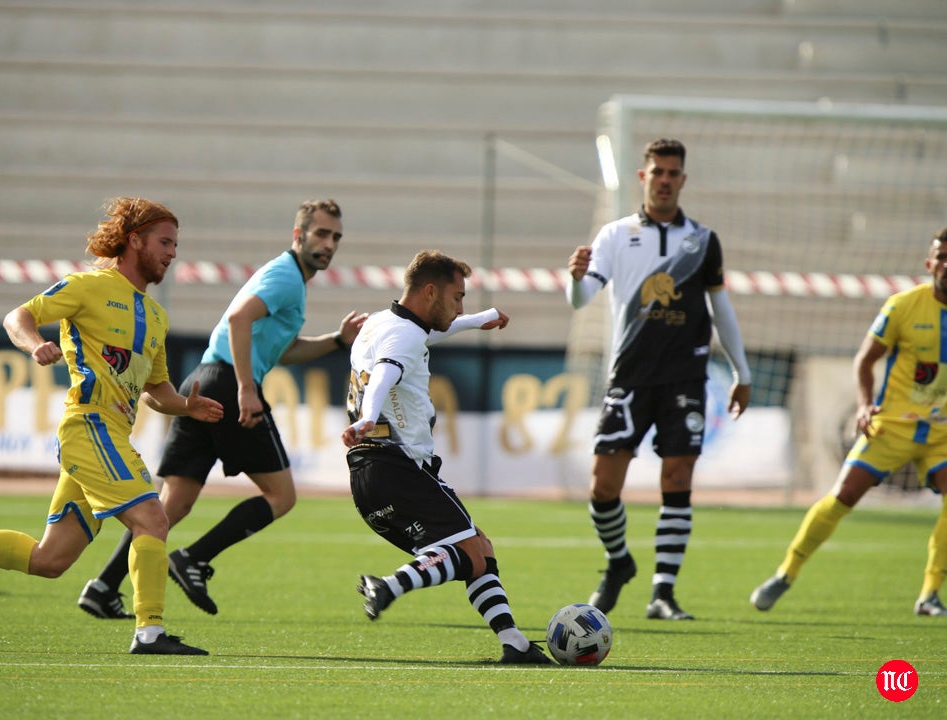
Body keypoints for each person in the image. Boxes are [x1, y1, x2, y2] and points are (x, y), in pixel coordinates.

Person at [0, 197, 224, 655]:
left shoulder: (155, 317)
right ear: (135, 241)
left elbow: (157, 391)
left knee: (49, 560)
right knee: (153, 519)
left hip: (109, 435)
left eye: (176, 244)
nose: (173, 252)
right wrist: (34, 344)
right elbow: (19, 317)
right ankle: (149, 632)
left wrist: (187, 407)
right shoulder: (88, 287)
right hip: (88, 427)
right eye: (165, 242)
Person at [78, 198, 366, 618]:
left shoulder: (288, 280)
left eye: (336, 236)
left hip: (204, 379)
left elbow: (281, 350)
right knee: (281, 496)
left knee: (171, 505)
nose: (329, 243)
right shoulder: (287, 276)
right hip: (229, 382)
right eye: (321, 233)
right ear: (298, 235)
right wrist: (247, 389)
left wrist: (337, 341)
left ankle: (103, 586)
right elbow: (238, 320)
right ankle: (194, 558)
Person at [566, 137, 752, 621]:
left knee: (677, 478)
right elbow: (581, 299)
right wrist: (575, 277)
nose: (665, 180)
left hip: (685, 378)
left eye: (673, 173)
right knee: (602, 486)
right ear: (643, 177)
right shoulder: (615, 235)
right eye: (658, 172)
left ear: (682, 180)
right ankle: (618, 562)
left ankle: (663, 593)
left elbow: (721, 306)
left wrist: (742, 370)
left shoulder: (703, 240)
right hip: (628, 376)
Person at [342, 250, 552, 664]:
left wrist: (478, 320)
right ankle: (388, 586)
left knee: (479, 549)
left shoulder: (383, 323)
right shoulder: (402, 337)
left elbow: (426, 335)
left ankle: (514, 642)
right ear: (430, 291)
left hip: (369, 476)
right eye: (457, 298)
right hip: (395, 467)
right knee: (470, 554)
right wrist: (368, 416)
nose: (460, 306)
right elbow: (387, 370)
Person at [751, 229, 947, 617]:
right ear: (929, 264)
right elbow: (865, 359)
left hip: (942, 432)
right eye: (942, 256)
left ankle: (929, 593)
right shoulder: (903, 305)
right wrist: (863, 405)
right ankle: (785, 573)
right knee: (842, 496)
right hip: (892, 424)